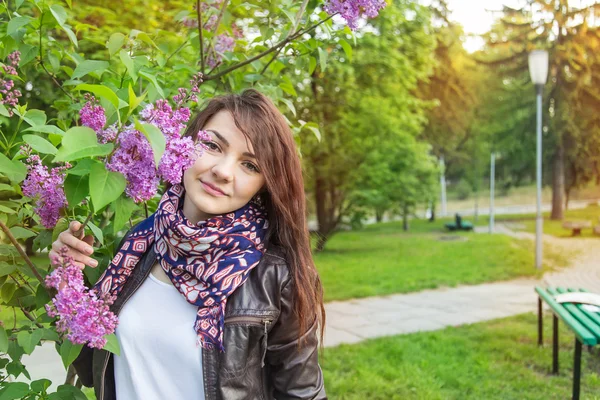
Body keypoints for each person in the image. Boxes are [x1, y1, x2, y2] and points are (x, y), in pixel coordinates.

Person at [49, 89, 327, 400]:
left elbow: (302, 394)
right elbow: (93, 370)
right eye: (211, 145)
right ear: (185, 144)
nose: (222, 171)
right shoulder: (139, 244)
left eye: (250, 165)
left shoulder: (276, 277)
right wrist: (65, 277)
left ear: (265, 185)